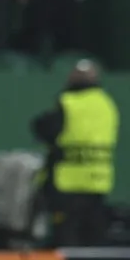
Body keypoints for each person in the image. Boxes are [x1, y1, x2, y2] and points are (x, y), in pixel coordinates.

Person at [31, 60, 118, 247]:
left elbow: (45, 129)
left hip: (68, 181)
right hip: (98, 181)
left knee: (66, 238)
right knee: (92, 238)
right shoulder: (107, 105)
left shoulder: (69, 103)